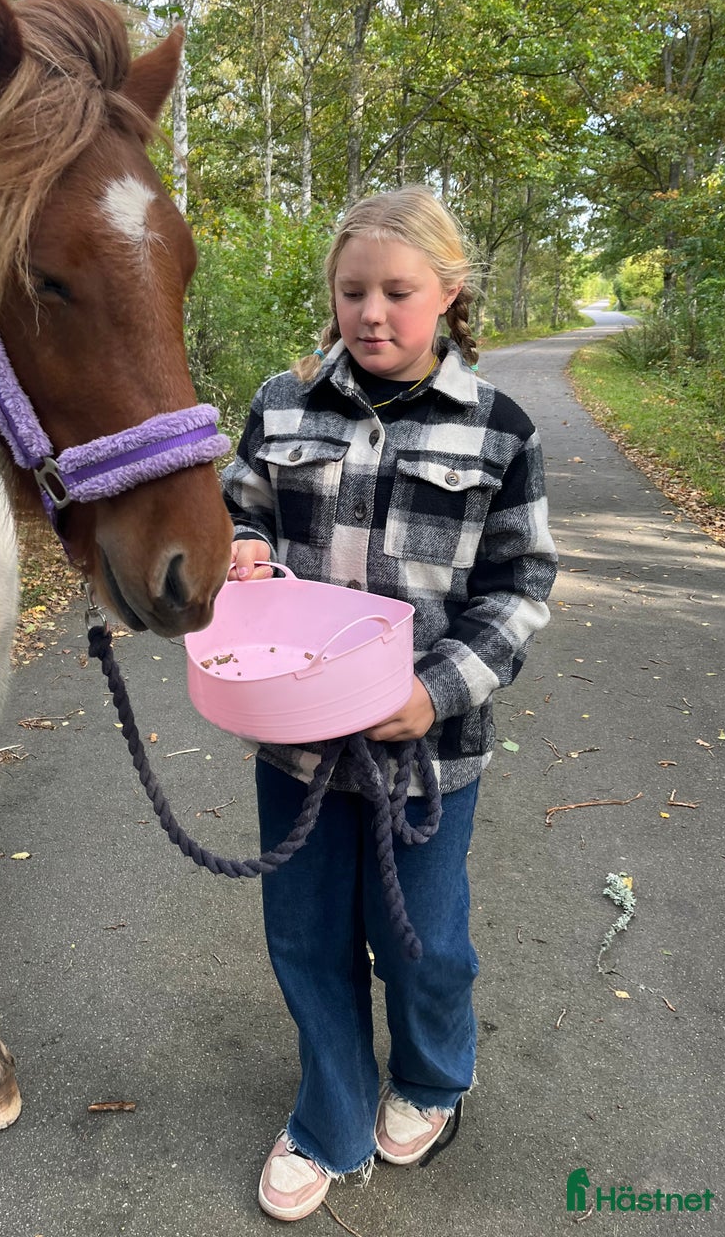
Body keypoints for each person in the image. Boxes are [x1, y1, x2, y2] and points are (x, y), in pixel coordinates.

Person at [221, 186, 557, 1221]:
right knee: (306, 937)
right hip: (297, 744)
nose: (372, 313)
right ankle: (330, 1116)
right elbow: (240, 509)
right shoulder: (282, 404)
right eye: (353, 290)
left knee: (424, 942)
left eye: (398, 292)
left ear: (449, 293)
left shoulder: (499, 430)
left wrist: (433, 688)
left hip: (428, 753)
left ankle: (431, 1080)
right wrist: (244, 550)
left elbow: (520, 586)